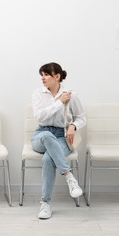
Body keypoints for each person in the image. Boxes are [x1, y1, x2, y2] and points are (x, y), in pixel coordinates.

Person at [31, 62, 86, 219]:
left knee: (49, 158)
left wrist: (73, 126)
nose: (43, 78)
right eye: (41, 74)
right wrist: (59, 102)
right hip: (41, 135)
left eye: (46, 74)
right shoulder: (38, 94)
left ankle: (45, 204)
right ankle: (69, 176)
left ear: (57, 76)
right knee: (47, 136)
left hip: (62, 136)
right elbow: (40, 117)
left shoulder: (71, 95)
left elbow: (82, 117)